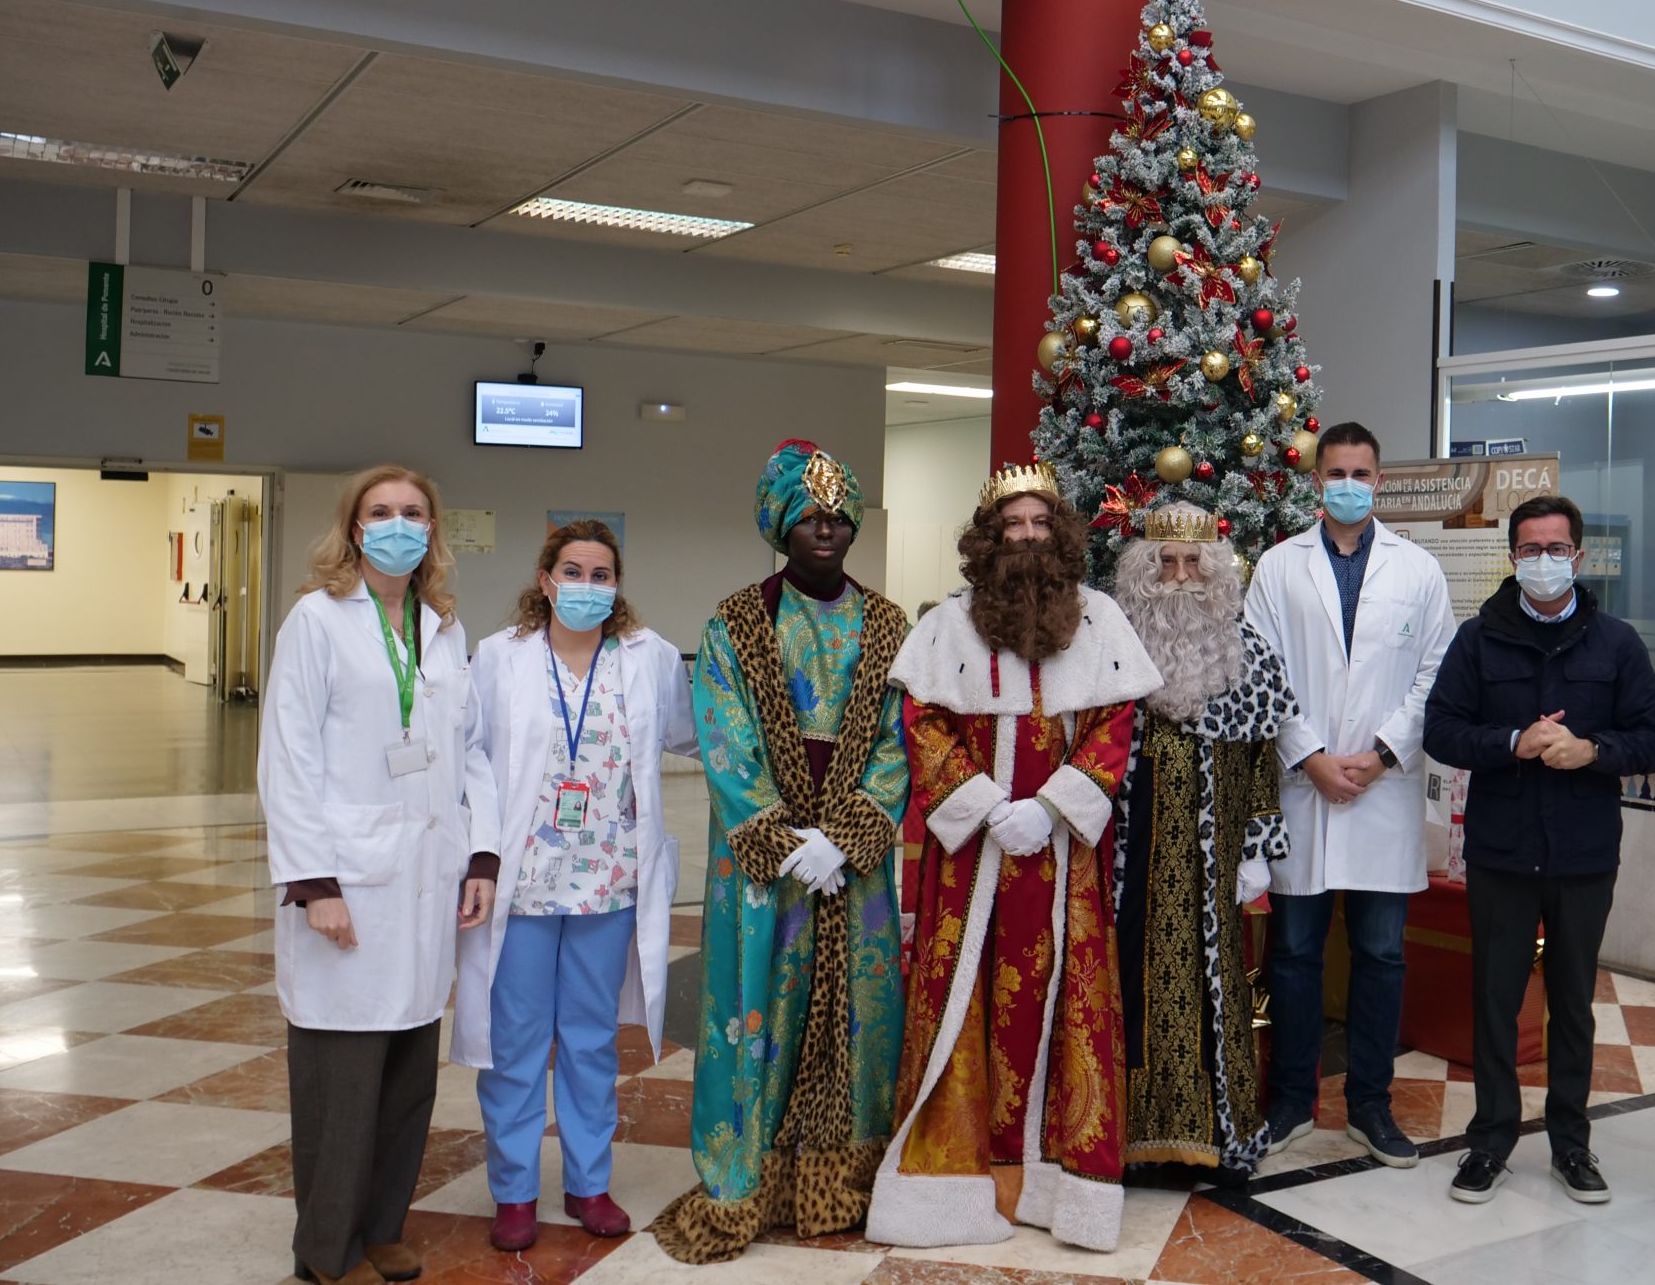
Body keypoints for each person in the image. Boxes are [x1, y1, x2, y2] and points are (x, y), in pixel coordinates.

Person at [865, 463, 1160, 1252]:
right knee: (962, 1009)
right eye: (1011, 525)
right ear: (988, 538)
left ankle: (1056, 1188)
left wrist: (1052, 808)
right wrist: (988, 808)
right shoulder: (945, 626)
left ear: (1058, 533)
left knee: (1066, 1009)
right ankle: (957, 1189)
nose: (1025, 537)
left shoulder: (1098, 620)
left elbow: (1113, 723)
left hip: (1063, 857)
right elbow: (922, 724)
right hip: (970, 863)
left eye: (1038, 523)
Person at [650, 441, 913, 1262]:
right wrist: (779, 833)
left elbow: (899, 739)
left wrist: (847, 837)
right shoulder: (733, 623)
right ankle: (745, 1180)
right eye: (809, 520)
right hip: (759, 864)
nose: (826, 533)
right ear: (780, 528)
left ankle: (844, 1181)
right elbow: (724, 737)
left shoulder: (889, 623)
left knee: (860, 1019)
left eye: (838, 519)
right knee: (752, 1011)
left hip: (853, 865)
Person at [260, 464, 495, 1285]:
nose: (399, 524)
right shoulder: (317, 621)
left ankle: (383, 1226)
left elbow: (463, 755)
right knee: (341, 1087)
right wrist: (314, 885)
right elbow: (287, 761)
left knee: (406, 1078)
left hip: (427, 879)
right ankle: (325, 1252)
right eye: (382, 512)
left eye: (415, 512)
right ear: (355, 529)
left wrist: (478, 859)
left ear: (434, 530)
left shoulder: (441, 626)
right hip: (347, 883)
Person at [455, 519, 694, 1252]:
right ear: (544, 577)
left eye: (601, 573)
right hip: (523, 882)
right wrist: (481, 860)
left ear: (616, 583)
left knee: (591, 1041)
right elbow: (471, 758)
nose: (586, 586)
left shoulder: (648, 658)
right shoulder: (500, 658)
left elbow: (691, 736)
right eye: (573, 571)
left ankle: (590, 1183)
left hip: (609, 878)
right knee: (517, 1041)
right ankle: (515, 1192)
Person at [1421, 494, 1655, 1206]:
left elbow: (1649, 737)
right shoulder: (1478, 639)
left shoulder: (1617, 643)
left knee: (1572, 1001)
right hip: (1502, 851)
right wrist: (1511, 743)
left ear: (1579, 557)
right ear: (1513, 558)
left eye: (1557, 549)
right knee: (1494, 999)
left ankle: (1571, 1142)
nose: (1544, 562)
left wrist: (1590, 750)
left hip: (1585, 853)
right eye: (1530, 550)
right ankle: (1490, 1140)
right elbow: (1441, 730)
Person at [1243, 421, 1454, 1168]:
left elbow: (1436, 672)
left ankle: (1370, 1104)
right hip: (1306, 786)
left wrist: (1381, 753)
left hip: (1383, 787)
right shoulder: (1277, 567)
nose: (1349, 484)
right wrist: (1309, 756)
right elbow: (1260, 667)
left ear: (1380, 481)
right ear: (1316, 480)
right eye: (1336, 472)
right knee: (1295, 954)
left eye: (1361, 472)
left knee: (1380, 954)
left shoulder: (1418, 570)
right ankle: (1292, 1102)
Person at [1109, 502, 1299, 1180]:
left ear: (1215, 573)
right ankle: (1124, 1138)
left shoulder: (1244, 649)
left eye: (1194, 563)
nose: (1181, 577)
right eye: (1167, 564)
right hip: (1127, 862)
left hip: (1214, 860)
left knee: (1217, 987)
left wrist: (1256, 847)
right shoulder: (1111, 643)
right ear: (1144, 571)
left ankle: (1217, 1135)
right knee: (1122, 980)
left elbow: (1259, 758)